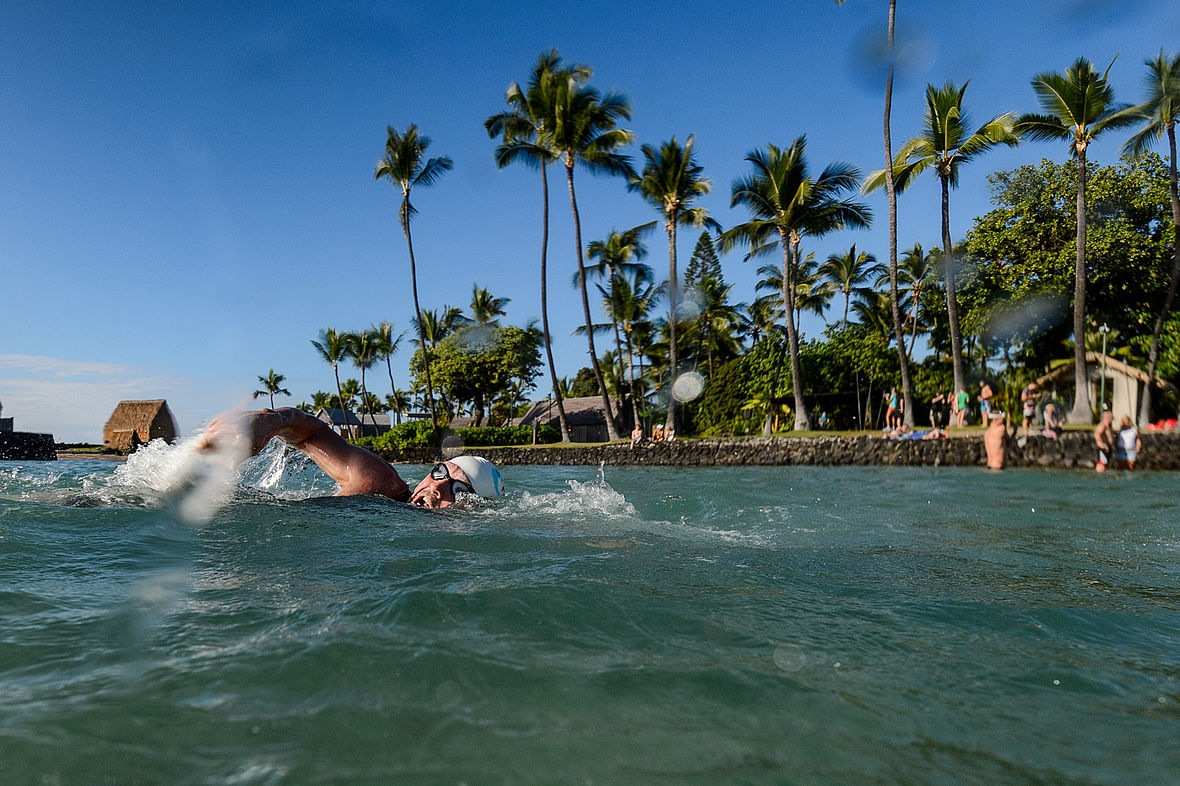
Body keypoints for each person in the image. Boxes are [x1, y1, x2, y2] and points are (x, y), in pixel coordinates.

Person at [198, 407, 504, 508]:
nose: (436, 489)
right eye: (439, 473)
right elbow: (311, 434)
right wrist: (271, 420)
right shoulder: (380, 482)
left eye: (458, 491)